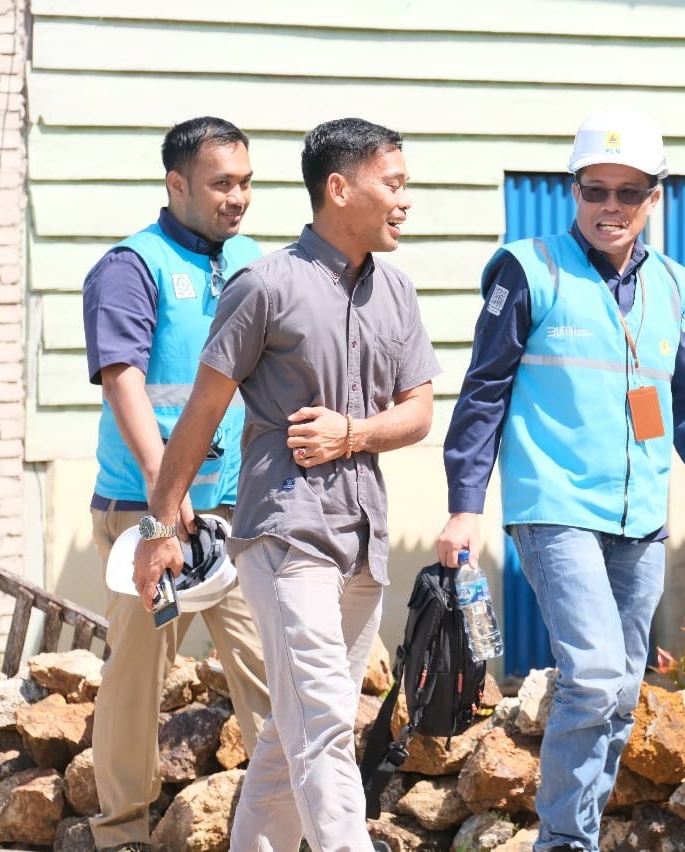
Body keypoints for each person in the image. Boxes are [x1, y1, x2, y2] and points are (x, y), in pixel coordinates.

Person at [436, 106, 685, 852]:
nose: (610, 207)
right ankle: (563, 841)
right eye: (595, 190)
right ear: (574, 190)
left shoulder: (672, 283)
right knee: (591, 675)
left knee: (620, 690)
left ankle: (575, 834)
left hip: (641, 517)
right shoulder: (526, 271)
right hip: (553, 506)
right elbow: (482, 394)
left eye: (628, 192)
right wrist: (465, 505)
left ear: (656, 197)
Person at [132, 117, 440, 852]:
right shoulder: (263, 286)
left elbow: (421, 412)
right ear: (339, 189)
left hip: (363, 538)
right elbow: (202, 413)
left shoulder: (396, 292)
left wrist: (353, 433)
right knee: (327, 720)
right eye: (392, 185)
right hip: (281, 531)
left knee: (296, 726)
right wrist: (158, 529)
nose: (405, 202)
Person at [82, 116, 270, 852]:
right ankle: (120, 834)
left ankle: (300, 824)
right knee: (136, 681)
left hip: (234, 511)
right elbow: (123, 380)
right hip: (146, 515)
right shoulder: (133, 265)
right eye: (223, 183)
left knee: (267, 668)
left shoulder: (256, 259)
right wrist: (167, 489)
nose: (239, 198)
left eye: (247, 182)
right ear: (177, 184)